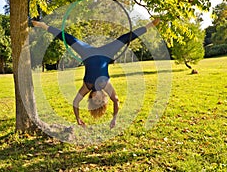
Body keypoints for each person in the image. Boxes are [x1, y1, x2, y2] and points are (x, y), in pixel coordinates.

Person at [32, 18, 160, 129]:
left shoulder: (86, 87)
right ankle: (149, 25)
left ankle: (43, 26)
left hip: (87, 53)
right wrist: (114, 118)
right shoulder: (106, 85)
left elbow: (75, 103)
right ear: (104, 98)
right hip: (107, 53)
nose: (98, 98)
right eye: (101, 101)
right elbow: (116, 101)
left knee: (67, 38)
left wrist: (78, 118)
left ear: (91, 99)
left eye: (95, 101)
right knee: (125, 38)